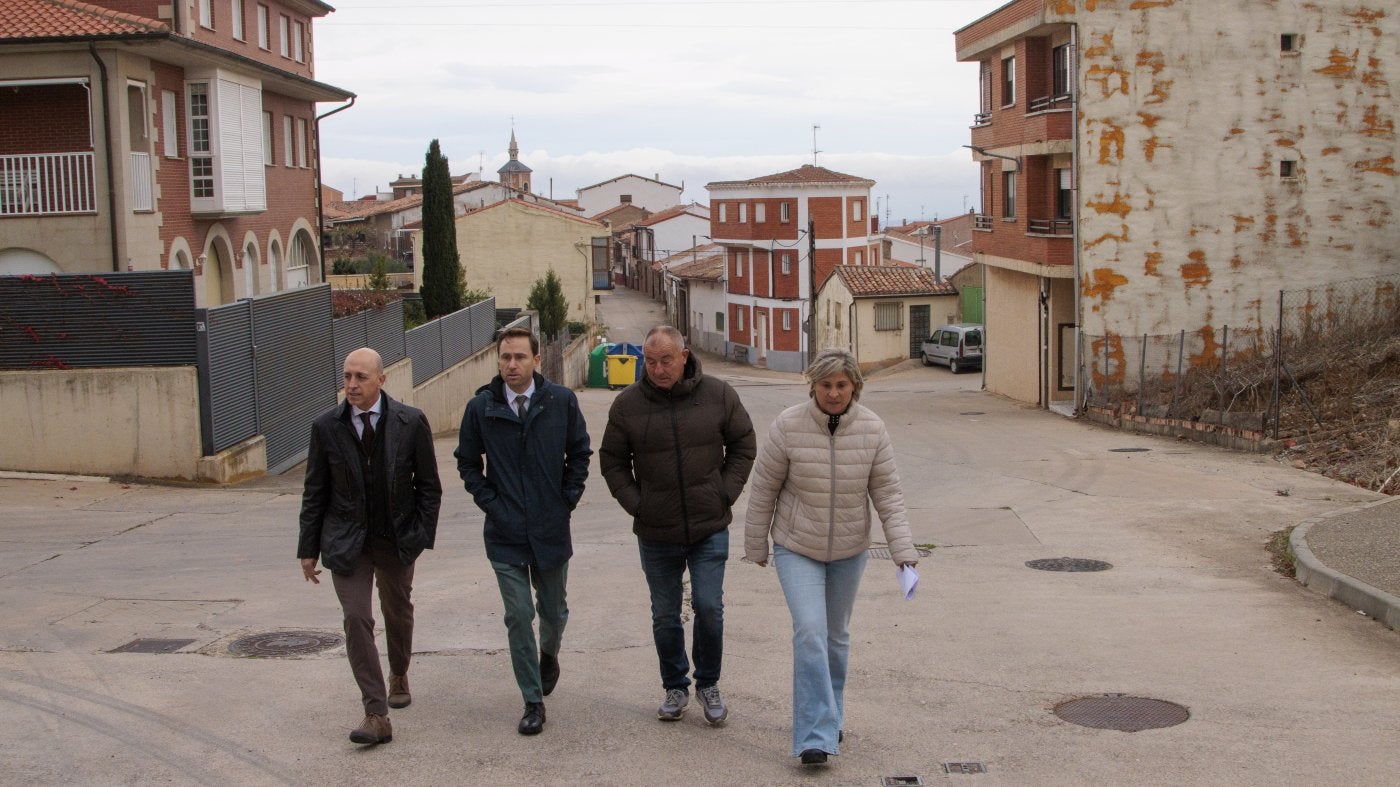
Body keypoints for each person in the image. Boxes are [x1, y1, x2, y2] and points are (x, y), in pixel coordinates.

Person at [743, 348, 919, 766]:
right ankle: (814, 737)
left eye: (842, 385)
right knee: (809, 632)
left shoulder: (873, 429)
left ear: (854, 386)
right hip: (796, 545)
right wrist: (756, 544)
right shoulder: (787, 426)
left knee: (835, 638)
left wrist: (903, 552)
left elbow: (888, 497)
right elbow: (764, 489)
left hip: (849, 549)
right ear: (813, 387)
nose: (834, 393)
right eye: (826, 385)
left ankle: (831, 713)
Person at [600, 324, 756, 725]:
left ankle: (708, 683)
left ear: (683, 356)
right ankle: (674, 685)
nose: (657, 369)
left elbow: (744, 444)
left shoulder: (719, 395)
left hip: (709, 526)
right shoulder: (627, 405)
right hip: (656, 532)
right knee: (665, 614)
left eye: (666, 360)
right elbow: (612, 461)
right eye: (650, 362)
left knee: (709, 607)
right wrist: (638, 505)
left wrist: (724, 492)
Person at [298, 347, 442, 746]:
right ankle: (375, 712)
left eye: (360, 377)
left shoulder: (410, 422)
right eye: (346, 377)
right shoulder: (326, 426)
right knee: (357, 618)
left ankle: (399, 671)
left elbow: (429, 488)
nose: (351, 385)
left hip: (396, 539)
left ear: (381, 380)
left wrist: (419, 537)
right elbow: (315, 491)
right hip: (347, 542)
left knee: (397, 610)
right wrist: (307, 548)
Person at [455, 327, 592, 736]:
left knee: (554, 611)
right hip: (505, 533)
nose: (511, 365)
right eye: (504, 358)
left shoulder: (561, 402)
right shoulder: (481, 408)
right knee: (519, 615)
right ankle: (532, 701)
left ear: (537, 360)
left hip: (551, 529)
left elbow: (580, 452)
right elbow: (466, 463)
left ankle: (549, 655)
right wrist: (493, 505)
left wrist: (565, 498)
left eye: (518, 357)